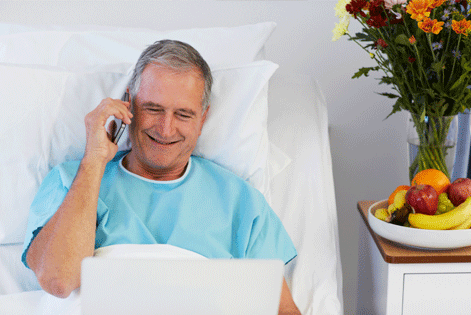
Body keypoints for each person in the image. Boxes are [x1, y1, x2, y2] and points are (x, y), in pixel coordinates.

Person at [22, 39, 300, 314]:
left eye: (183, 115)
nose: (166, 130)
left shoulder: (241, 202)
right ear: (129, 105)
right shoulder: (73, 180)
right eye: (153, 109)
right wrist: (94, 160)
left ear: (203, 119)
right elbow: (58, 281)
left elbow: (283, 309)